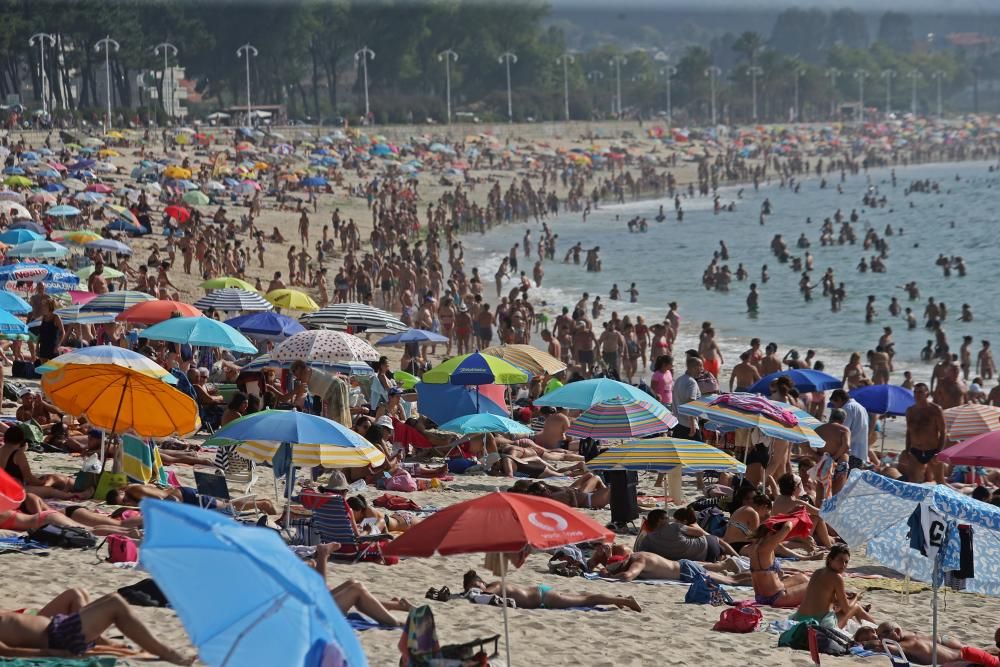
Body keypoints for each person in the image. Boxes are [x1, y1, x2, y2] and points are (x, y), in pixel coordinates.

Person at [0, 593, 194, 663]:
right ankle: (168, 653)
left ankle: (157, 650)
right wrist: (57, 653)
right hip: (60, 635)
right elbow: (8, 652)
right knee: (115, 603)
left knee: (110, 599)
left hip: (58, 627)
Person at [461, 570, 641, 612]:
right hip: (541, 595)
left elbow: (486, 595)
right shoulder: (492, 587)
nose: (476, 590)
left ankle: (625, 600)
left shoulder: (494, 586)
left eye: (476, 586)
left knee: (586, 600)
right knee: (584, 598)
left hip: (544, 597)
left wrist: (467, 594)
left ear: (482, 583)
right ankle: (616, 598)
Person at [790, 544, 875, 629]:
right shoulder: (836, 577)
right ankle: (877, 630)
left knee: (850, 605)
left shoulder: (817, 572)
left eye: (846, 562)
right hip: (816, 623)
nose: (843, 564)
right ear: (830, 559)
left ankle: (875, 630)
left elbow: (824, 598)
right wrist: (856, 597)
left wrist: (845, 596)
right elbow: (847, 610)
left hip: (799, 619)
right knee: (856, 607)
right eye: (840, 560)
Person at [596, 547, 749, 585]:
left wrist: (611, 576)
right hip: (683, 565)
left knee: (731, 581)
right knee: (730, 578)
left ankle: (757, 577)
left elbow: (628, 576)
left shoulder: (638, 562)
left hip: (685, 571)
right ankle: (756, 575)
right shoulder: (635, 555)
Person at [869, 622, 1000, 666]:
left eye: (883, 635)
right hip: (964, 653)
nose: (881, 638)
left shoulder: (907, 644)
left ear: (897, 631)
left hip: (965, 657)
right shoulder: (911, 636)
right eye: (879, 636)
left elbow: (883, 646)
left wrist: (864, 643)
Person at [747, 521, 812, 607]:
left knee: (802, 578)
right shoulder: (766, 548)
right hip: (776, 597)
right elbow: (787, 528)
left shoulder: (755, 547)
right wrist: (792, 519)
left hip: (760, 597)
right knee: (816, 583)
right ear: (770, 533)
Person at [636, 507, 736, 562]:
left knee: (719, 554)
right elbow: (700, 533)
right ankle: (737, 557)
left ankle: (725, 558)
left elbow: (640, 553)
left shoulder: (647, 540)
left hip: (703, 558)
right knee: (717, 541)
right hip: (707, 545)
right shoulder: (675, 526)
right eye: (666, 518)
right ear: (660, 520)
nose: (669, 520)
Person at [902, 382, 946, 484]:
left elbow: (943, 432)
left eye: (920, 392)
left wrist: (939, 453)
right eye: (915, 392)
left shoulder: (935, 410)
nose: (917, 395)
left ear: (927, 394)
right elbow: (909, 431)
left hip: (932, 451)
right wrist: (907, 450)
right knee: (913, 482)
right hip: (915, 451)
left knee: (940, 483)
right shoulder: (910, 411)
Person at [828, 389, 870, 470]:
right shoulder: (861, 407)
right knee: (852, 480)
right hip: (860, 451)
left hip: (850, 452)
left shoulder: (847, 408)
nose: (836, 407)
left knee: (844, 480)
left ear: (839, 399)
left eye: (835, 404)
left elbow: (842, 430)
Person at [672, 355, 702, 439]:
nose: (702, 369)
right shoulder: (692, 383)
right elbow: (690, 402)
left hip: (678, 424)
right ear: (694, 367)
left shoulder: (679, 380)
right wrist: (692, 425)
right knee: (700, 451)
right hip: (688, 426)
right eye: (700, 366)